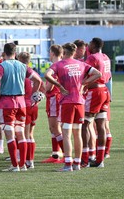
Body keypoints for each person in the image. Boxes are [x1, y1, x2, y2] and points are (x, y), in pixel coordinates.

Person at [0, 43, 42, 172]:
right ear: (15, 52)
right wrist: (33, 95)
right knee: (21, 134)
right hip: (21, 103)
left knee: (10, 135)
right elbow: (38, 80)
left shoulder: (2, 66)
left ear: (4, 52)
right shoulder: (23, 66)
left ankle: (15, 165)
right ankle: (23, 164)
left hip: (7, 103)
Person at [44, 42, 101, 172]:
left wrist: (58, 85)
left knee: (66, 134)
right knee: (77, 133)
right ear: (74, 52)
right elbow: (98, 74)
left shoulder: (58, 64)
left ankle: (68, 164)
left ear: (63, 52)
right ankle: (76, 163)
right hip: (80, 102)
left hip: (67, 103)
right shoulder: (81, 64)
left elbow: (47, 75)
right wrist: (84, 83)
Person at [83, 37, 111, 168]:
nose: (87, 45)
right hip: (105, 91)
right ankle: (100, 159)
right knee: (101, 125)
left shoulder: (92, 57)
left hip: (95, 92)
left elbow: (86, 74)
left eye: (89, 43)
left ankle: (87, 157)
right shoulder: (105, 57)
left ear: (93, 45)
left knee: (86, 123)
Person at [18, 52, 44, 169]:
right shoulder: (34, 73)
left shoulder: (21, 73)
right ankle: (30, 161)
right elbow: (43, 89)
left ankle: (27, 161)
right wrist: (37, 97)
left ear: (19, 59)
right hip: (34, 106)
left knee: (25, 134)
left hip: (25, 105)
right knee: (30, 134)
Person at [42, 44, 65, 163]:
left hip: (54, 99)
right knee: (55, 128)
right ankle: (56, 154)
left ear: (52, 53)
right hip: (59, 98)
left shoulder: (54, 67)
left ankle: (66, 155)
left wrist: (42, 88)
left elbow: (49, 88)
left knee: (55, 128)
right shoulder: (63, 64)